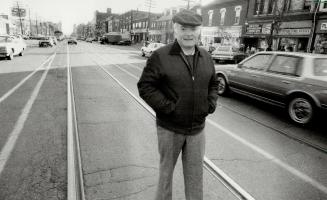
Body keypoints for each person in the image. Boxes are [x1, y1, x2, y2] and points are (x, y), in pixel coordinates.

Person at [137, 9, 219, 200]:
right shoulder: (161, 56)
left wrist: (210, 104)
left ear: (199, 31)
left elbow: (213, 83)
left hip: (197, 130)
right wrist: (169, 108)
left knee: (195, 178)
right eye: (183, 28)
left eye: (193, 29)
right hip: (170, 129)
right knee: (166, 176)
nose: (188, 33)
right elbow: (145, 86)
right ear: (175, 30)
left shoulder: (206, 57)